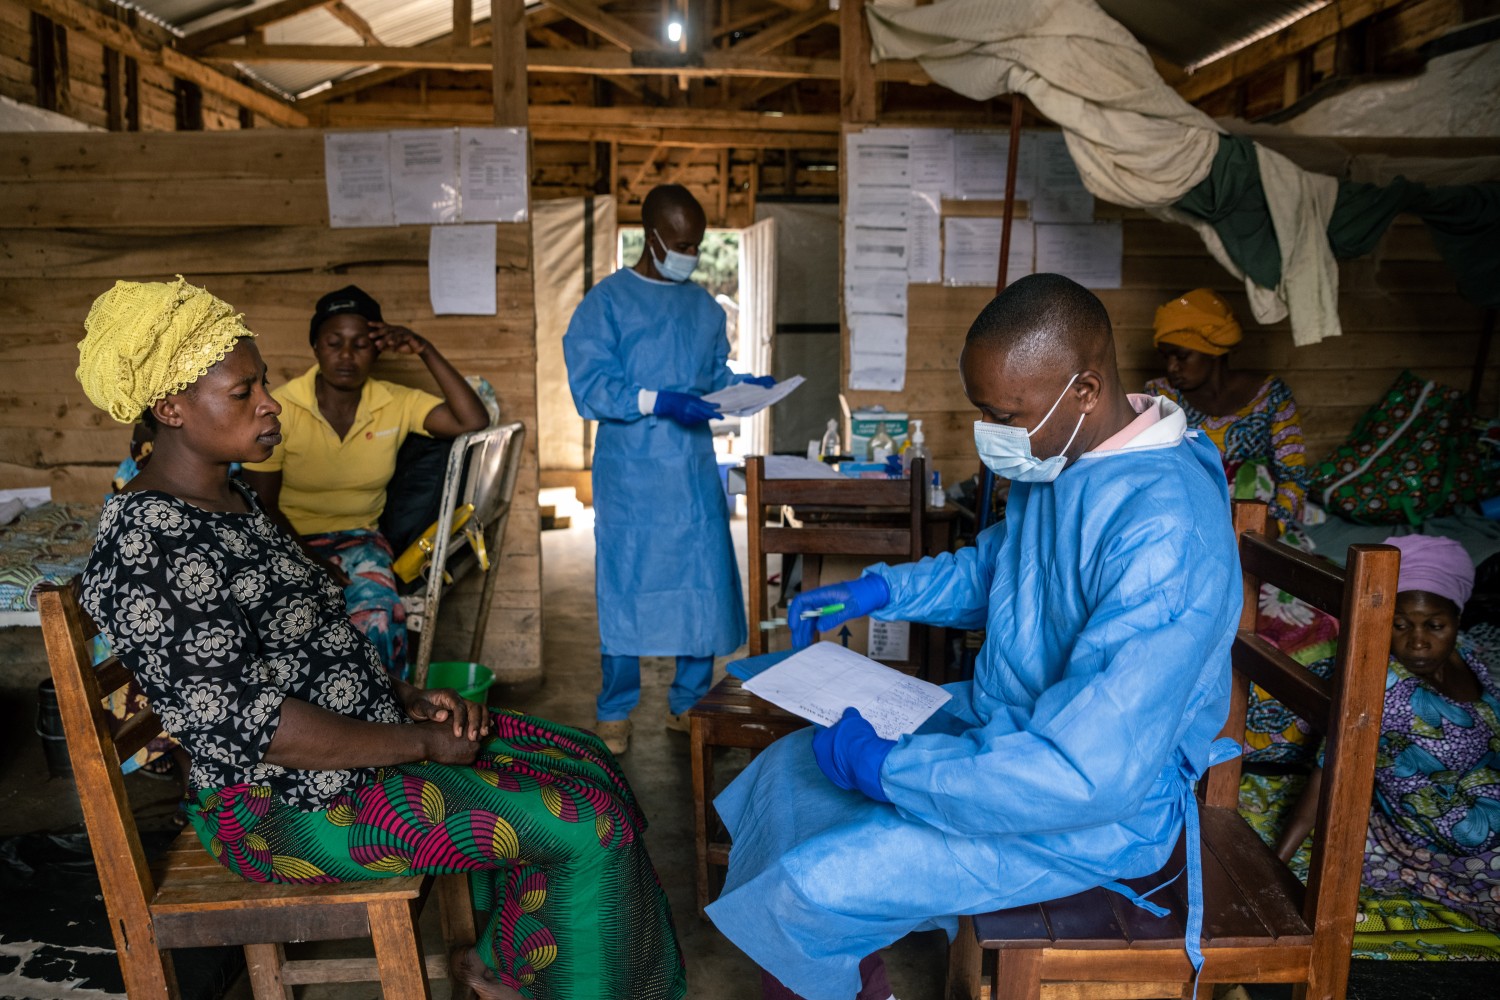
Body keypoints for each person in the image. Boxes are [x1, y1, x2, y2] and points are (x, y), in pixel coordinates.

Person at [73, 277, 687, 1000]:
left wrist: (407, 697)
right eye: (243, 392)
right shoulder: (155, 543)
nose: (270, 402)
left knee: (588, 762)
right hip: (282, 808)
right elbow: (252, 727)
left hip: (356, 744)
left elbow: (308, 644)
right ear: (171, 408)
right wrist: (423, 743)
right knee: (589, 826)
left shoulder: (232, 498)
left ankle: (502, 968)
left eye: (263, 382)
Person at [705, 274, 1242, 1000]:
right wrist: (885, 589)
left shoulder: (1167, 528)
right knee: (788, 773)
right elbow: (1003, 566)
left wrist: (891, 772)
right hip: (1000, 727)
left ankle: (842, 969)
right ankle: (851, 974)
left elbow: (1081, 772)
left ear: (1083, 389)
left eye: (1003, 414)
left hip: (1083, 810)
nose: (991, 433)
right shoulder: (1069, 456)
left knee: (814, 883)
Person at [563, 184, 773, 754]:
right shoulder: (605, 304)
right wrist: (658, 400)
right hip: (631, 474)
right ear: (651, 236)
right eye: (680, 242)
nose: (690, 253)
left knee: (699, 585)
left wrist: (742, 385)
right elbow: (591, 388)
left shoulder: (703, 307)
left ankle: (687, 704)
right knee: (626, 585)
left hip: (689, 472)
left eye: (696, 244)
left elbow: (709, 374)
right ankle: (615, 711)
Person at [242, 285, 490, 680]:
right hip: (286, 539)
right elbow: (260, 506)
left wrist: (424, 348)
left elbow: (473, 421)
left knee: (376, 614)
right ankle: (317, 727)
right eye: (334, 342)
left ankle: (385, 720)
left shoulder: (395, 401)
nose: (346, 355)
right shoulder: (281, 409)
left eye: (360, 344)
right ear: (315, 347)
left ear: (378, 350)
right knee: (285, 622)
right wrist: (310, 560)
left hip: (361, 539)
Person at [1274, 534, 1500, 930]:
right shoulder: (1382, 686)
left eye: (1435, 625)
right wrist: (1272, 869)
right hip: (1458, 844)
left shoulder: (1466, 655)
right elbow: (1327, 773)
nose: (1417, 641)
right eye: (1399, 624)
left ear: (1457, 621)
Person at [1144, 288, 1307, 532]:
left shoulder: (1271, 396)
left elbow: (1294, 475)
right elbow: (1150, 470)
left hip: (1259, 524)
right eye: (1166, 357)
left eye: (1181, 356)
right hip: (1186, 522)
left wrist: (1273, 526)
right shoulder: (1160, 396)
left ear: (1214, 352)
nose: (1171, 367)